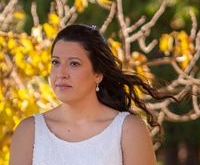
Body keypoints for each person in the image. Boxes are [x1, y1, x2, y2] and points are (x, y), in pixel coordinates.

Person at [9, 23, 174, 165]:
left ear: (98, 74)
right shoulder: (29, 131)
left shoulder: (128, 130)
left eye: (74, 63)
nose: (61, 73)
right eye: (55, 62)